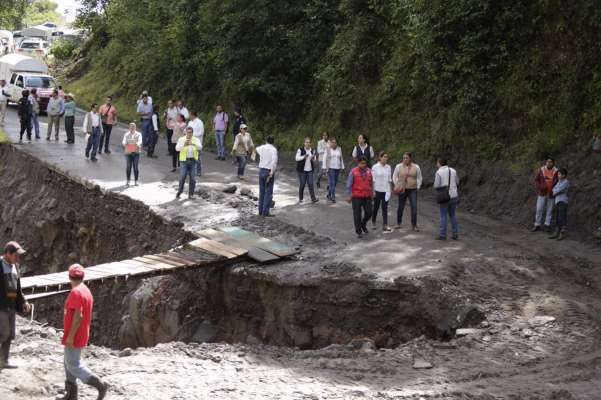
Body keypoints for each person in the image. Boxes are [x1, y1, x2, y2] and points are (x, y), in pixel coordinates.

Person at [59, 264, 108, 400]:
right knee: (68, 362)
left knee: (73, 365)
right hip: (80, 333)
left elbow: (78, 316)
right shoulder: (85, 290)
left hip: (75, 335)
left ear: (69, 277)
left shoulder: (76, 292)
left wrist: (70, 336)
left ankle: (100, 385)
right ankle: (71, 395)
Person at [0, 241, 31, 369]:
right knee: (3, 333)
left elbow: (18, 289)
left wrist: (24, 301)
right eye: (16, 255)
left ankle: (4, 361)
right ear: (8, 253)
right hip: (0, 306)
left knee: (10, 334)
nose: (18, 258)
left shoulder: (15, 267)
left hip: (11, 306)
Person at [392, 152, 423, 231]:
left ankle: (414, 225)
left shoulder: (416, 167)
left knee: (414, 207)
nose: (405, 159)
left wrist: (418, 186)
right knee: (400, 207)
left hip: (413, 189)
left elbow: (419, 177)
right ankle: (398, 223)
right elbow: (394, 176)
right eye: (404, 158)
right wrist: (397, 185)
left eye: (406, 158)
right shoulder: (398, 166)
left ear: (410, 158)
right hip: (402, 189)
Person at [346, 157, 374, 238]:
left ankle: (363, 223)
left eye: (365, 163)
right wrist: (349, 195)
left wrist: (372, 193)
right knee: (357, 215)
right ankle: (359, 231)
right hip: (356, 196)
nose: (363, 165)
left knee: (369, 212)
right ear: (358, 163)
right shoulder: (353, 171)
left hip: (367, 196)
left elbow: (371, 183)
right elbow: (349, 184)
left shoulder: (369, 171)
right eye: (361, 163)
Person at [433, 158, 459, 240]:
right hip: (454, 195)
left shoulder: (439, 172)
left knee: (443, 215)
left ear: (439, 163)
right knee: (453, 215)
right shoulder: (453, 170)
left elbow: (436, 185)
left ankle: (442, 234)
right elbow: (457, 182)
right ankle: (455, 234)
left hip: (444, 196)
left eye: (437, 162)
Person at [531, 157, 558, 232]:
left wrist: (555, 190)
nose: (549, 163)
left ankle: (547, 224)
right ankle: (537, 225)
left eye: (550, 162)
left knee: (549, 210)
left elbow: (559, 181)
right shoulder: (541, 170)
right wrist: (540, 187)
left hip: (551, 193)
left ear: (553, 163)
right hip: (542, 193)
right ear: (546, 162)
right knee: (539, 209)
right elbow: (536, 180)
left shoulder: (556, 171)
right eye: (547, 162)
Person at [175, 127, 202, 199]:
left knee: (193, 178)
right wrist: (184, 145)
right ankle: (180, 192)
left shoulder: (195, 139)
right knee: (182, 177)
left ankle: (191, 194)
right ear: (185, 132)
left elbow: (200, 147)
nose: (189, 134)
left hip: (193, 161)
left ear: (192, 133)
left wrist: (193, 144)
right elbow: (176, 148)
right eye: (188, 132)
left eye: (190, 132)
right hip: (184, 161)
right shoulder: (181, 139)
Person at [256, 135, 278, 216]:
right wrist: (272, 172)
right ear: (273, 142)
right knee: (268, 192)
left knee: (261, 191)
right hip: (268, 171)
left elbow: (256, 149)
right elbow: (274, 162)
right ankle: (265, 212)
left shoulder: (262, 147)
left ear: (266, 141)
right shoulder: (273, 149)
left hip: (261, 170)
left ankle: (260, 210)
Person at [371, 151, 392, 232]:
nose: (386, 158)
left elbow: (389, 179)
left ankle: (385, 225)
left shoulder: (388, 167)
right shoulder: (375, 167)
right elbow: (373, 180)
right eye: (384, 157)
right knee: (375, 208)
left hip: (386, 190)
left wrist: (390, 189)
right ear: (380, 157)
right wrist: (373, 191)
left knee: (385, 208)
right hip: (377, 190)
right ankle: (373, 222)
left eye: (387, 157)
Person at [295, 137, 318, 204]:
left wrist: (313, 158)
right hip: (302, 171)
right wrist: (303, 157)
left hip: (310, 170)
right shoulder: (300, 150)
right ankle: (300, 198)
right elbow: (296, 158)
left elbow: (314, 160)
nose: (308, 143)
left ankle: (313, 198)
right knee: (302, 184)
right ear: (304, 143)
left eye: (309, 142)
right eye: (306, 142)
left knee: (311, 184)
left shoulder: (312, 150)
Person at [549, 168, 569, 240]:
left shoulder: (566, 182)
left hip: (563, 201)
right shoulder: (559, 182)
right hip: (557, 201)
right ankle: (556, 232)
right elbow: (553, 190)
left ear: (564, 175)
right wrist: (556, 191)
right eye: (558, 174)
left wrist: (556, 191)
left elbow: (558, 190)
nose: (558, 175)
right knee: (557, 217)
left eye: (559, 174)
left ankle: (562, 233)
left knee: (562, 217)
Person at [322, 138, 344, 203]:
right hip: (330, 168)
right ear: (330, 143)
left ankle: (329, 194)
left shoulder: (339, 149)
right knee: (332, 182)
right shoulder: (328, 149)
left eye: (335, 142)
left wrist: (342, 166)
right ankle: (333, 197)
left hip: (337, 168)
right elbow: (324, 158)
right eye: (333, 142)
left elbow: (341, 158)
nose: (334, 144)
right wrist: (324, 168)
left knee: (335, 183)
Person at [187, 111, 205, 176]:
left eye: (189, 115)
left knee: (197, 158)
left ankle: (198, 171)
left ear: (193, 115)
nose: (188, 116)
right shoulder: (189, 122)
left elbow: (201, 132)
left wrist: (192, 135)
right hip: (189, 142)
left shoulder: (199, 122)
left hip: (197, 142)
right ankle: (191, 171)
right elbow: (187, 130)